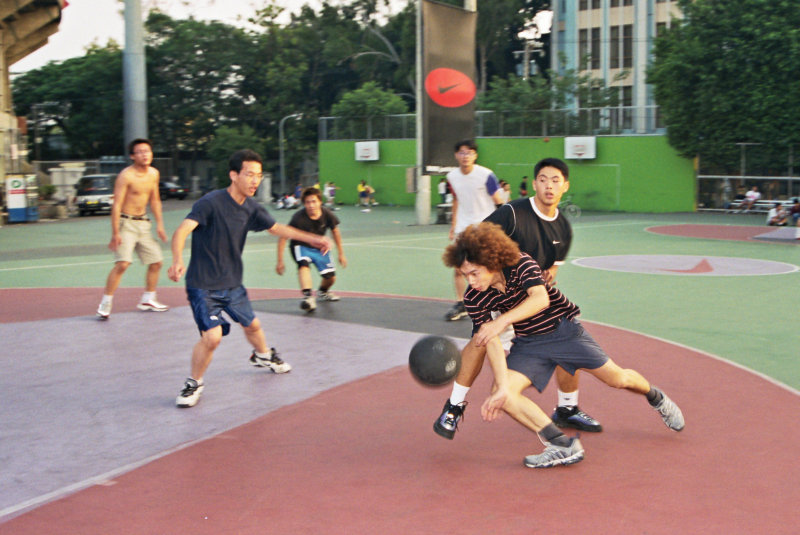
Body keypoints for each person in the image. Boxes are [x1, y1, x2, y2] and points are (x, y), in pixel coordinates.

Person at [437, 222, 685, 467]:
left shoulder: (520, 262)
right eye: (464, 275)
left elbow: (540, 299)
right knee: (503, 395)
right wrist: (501, 385)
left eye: (475, 272)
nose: (470, 281)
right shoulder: (474, 297)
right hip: (529, 344)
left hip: (564, 331)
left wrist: (500, 322)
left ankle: (656, 397)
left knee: (618, 379)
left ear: (491, 262)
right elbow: (488, 340)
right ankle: (561, 445)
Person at [435, 158, 603, 437]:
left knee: (566, 331)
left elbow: (550, 271)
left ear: (565, 186)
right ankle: (454, 406)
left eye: (556, 180)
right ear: (535, 183)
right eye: (544, 180)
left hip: (529, 295)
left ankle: (567, 409)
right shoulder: (512, 214)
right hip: (495, 292)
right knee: (481, 340)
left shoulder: (563, 228)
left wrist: (541, 283)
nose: (549, 186)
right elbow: (477, 240)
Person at [167, 149, 332, 408]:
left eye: (259, 176)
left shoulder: (252, 208)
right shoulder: (210, 203)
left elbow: (277, 228)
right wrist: (177, 259)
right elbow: (182, 230)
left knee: (253, 326)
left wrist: (313, 238)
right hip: (203, 285)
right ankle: (194, 383)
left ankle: (263, 355)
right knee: (212, 337)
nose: (255, 181)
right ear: (234, 175)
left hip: (233, 283)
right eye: (249, 175)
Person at [96, 138, 169, 320]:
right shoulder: (126, 175)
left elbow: (155, 200)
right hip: (125, 223)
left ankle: (148, 298)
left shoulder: (154, 173)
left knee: (156, 261)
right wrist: (115, 233)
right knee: (122, 263)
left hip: (143, 223)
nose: (145, 155)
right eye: (140, 152)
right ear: (132, 156)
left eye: (147, 151)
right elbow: (117, 204)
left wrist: (160, 224)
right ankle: (106, 302)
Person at [444, 139, 505, 321]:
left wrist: (505, 224)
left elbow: (499, 200)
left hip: (485, 228)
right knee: (458, 268)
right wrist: (454, 226)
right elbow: (456, 199)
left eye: (469, 153)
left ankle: (498, 304)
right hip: (464, 228)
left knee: (489, 268)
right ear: (456, 155)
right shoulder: (452, 177)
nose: (465, 156)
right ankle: (461, 303)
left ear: (475, 155)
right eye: (462, 153)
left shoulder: (486, 175)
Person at [276, 186, 347, 312]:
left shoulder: (327, 214)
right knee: (303, 265)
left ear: (320, 201)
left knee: (330, 278)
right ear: (304, 204)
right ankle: (308, 298)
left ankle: (323, 291)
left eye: (314, 201)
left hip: (320, 247)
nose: (311, 205)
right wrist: (280, 261)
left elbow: (335, 232)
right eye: (308, 202)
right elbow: (283, 236)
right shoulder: (298, 217)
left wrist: (341, 253)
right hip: (300, 246)